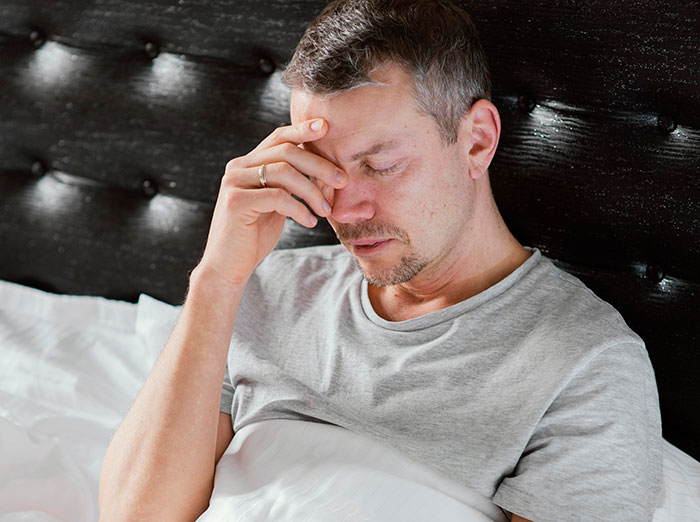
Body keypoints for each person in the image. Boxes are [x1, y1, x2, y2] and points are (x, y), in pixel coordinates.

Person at [98, 0, 663, 521]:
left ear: (476, 141)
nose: (344, 208)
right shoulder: (264, 291)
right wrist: (217, 279)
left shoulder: (586, 362)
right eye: (322, 168)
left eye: (381, 165)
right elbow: (135, 515)